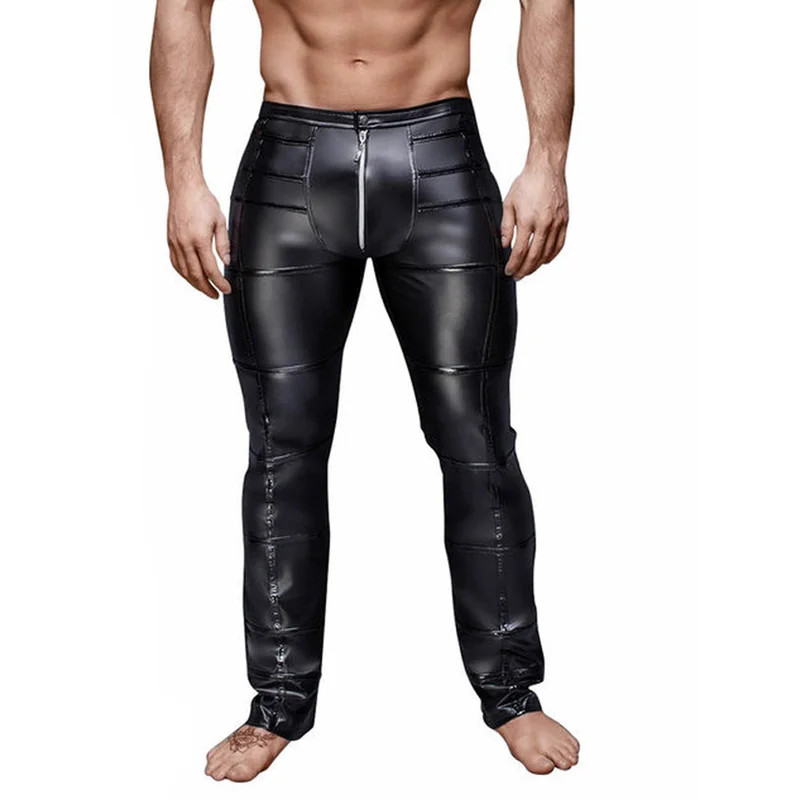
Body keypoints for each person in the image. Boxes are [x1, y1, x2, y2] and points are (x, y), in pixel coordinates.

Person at [150, 0, 577, 781]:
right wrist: (182, 180)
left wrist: (548, 160)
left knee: (476, 439)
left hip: (439, 149)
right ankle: (278, 701)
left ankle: (512, 693)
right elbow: (183, 6)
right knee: (282, 447)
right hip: (289, 157)